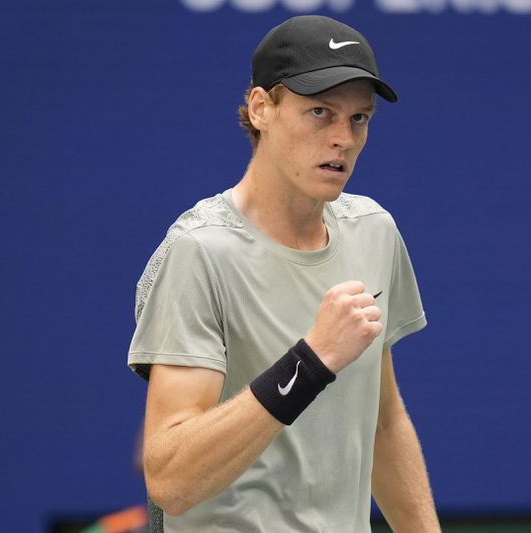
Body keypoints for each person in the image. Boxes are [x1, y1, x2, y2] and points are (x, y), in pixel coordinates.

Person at [127, 15, 440, 532]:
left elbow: (382, 423)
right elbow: (171, 480)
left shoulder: (374, 232)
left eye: (359, 118)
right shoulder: (199, 250)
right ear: (260, 108)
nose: (343, 138)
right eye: (320, 112)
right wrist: (312, 361)